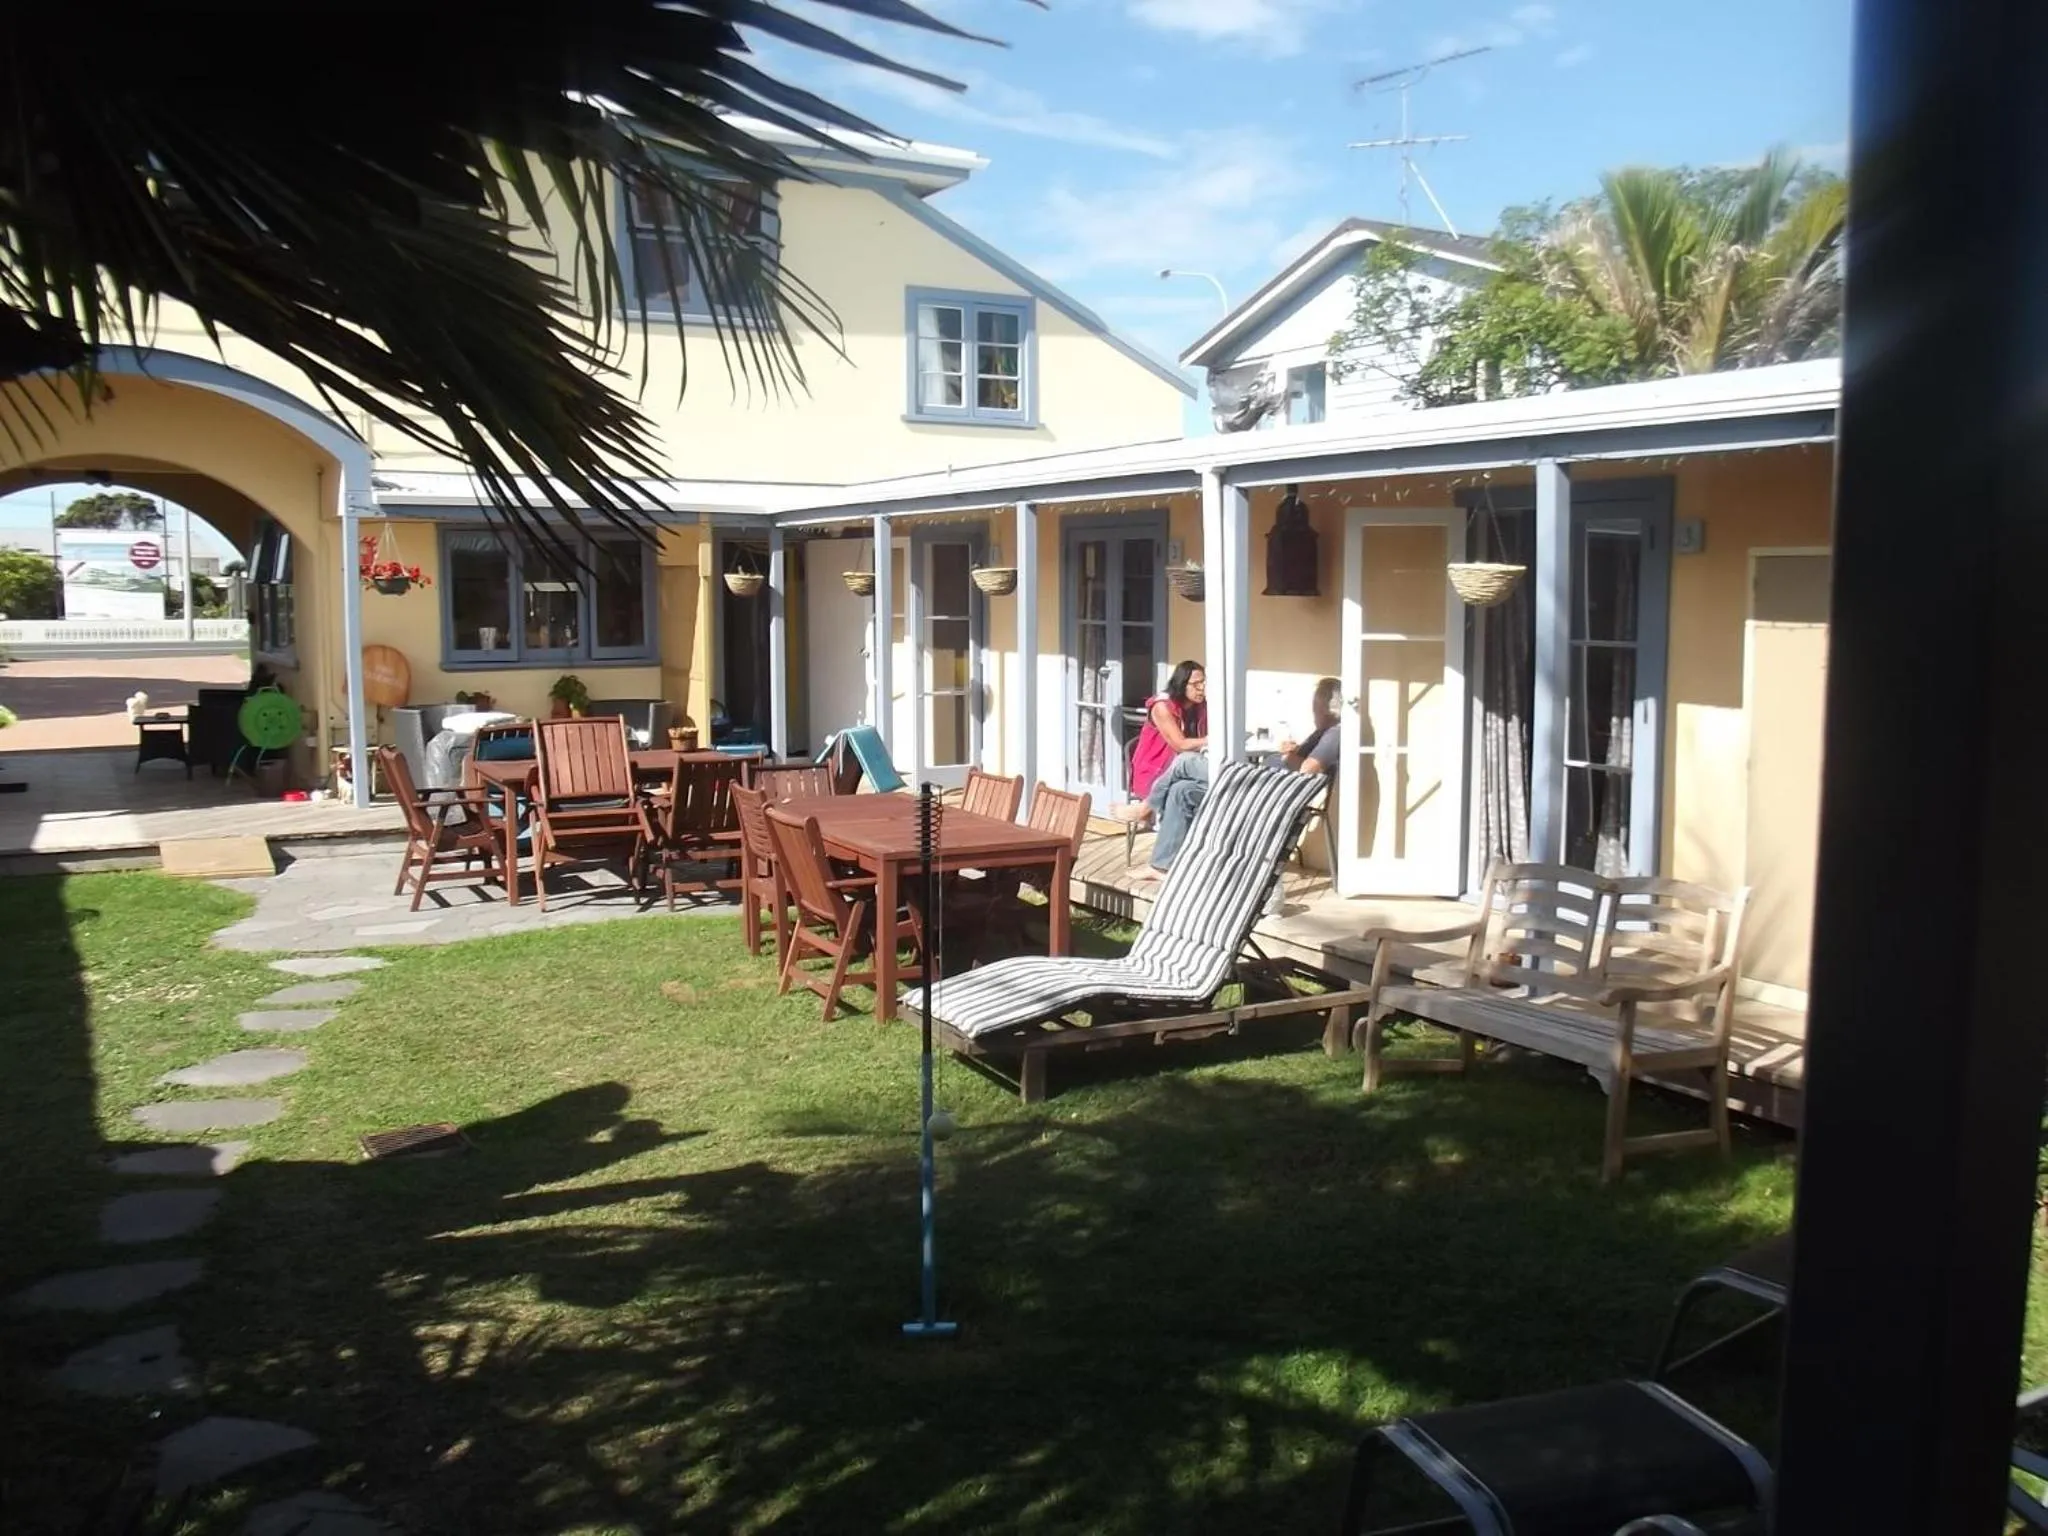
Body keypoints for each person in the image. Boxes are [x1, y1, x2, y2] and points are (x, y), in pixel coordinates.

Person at [1138, 676, 1341, 880]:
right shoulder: (1322, 732)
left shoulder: (1334, 734)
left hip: (1258, 794)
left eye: (1315, 704)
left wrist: (1288, 757)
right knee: (1181, 790)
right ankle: (1163, 865)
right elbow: (1304, 761)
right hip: (1257, 786)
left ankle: (1146, 808)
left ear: (1325, 707)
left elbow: (1308, 769)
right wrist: (1293, 751)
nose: (1313, 709)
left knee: (1186, 761)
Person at [1122, 660, 1207, 817]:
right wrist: (1213, 740)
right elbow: (1180, 745)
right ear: (1182, 685)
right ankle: (1148, 811)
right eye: (1196, 684)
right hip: (1157, 770)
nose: (1202, 688)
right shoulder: (1162, 707)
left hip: (1183, 769)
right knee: (1187, 791)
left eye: (1204, 682)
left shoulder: (1200, 706)